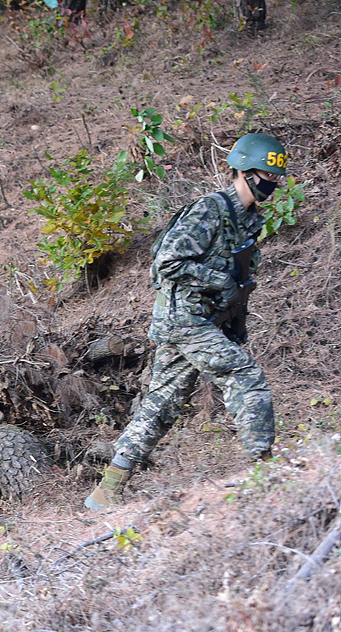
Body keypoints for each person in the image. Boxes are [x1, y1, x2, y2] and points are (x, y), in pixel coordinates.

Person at [85, 133, 288, 510]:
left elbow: (237, 281)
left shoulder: (248, 220)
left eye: (276, 178)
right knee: (244, 376)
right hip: (185, 321)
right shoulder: (212, 209)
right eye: (265, 175)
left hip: (200, 322)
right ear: (243, 170)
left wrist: (232, 320)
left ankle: (106, 490)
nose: (271, 183)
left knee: (162, 403)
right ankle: (266, 470)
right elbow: (167, 262)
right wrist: (220, 282)